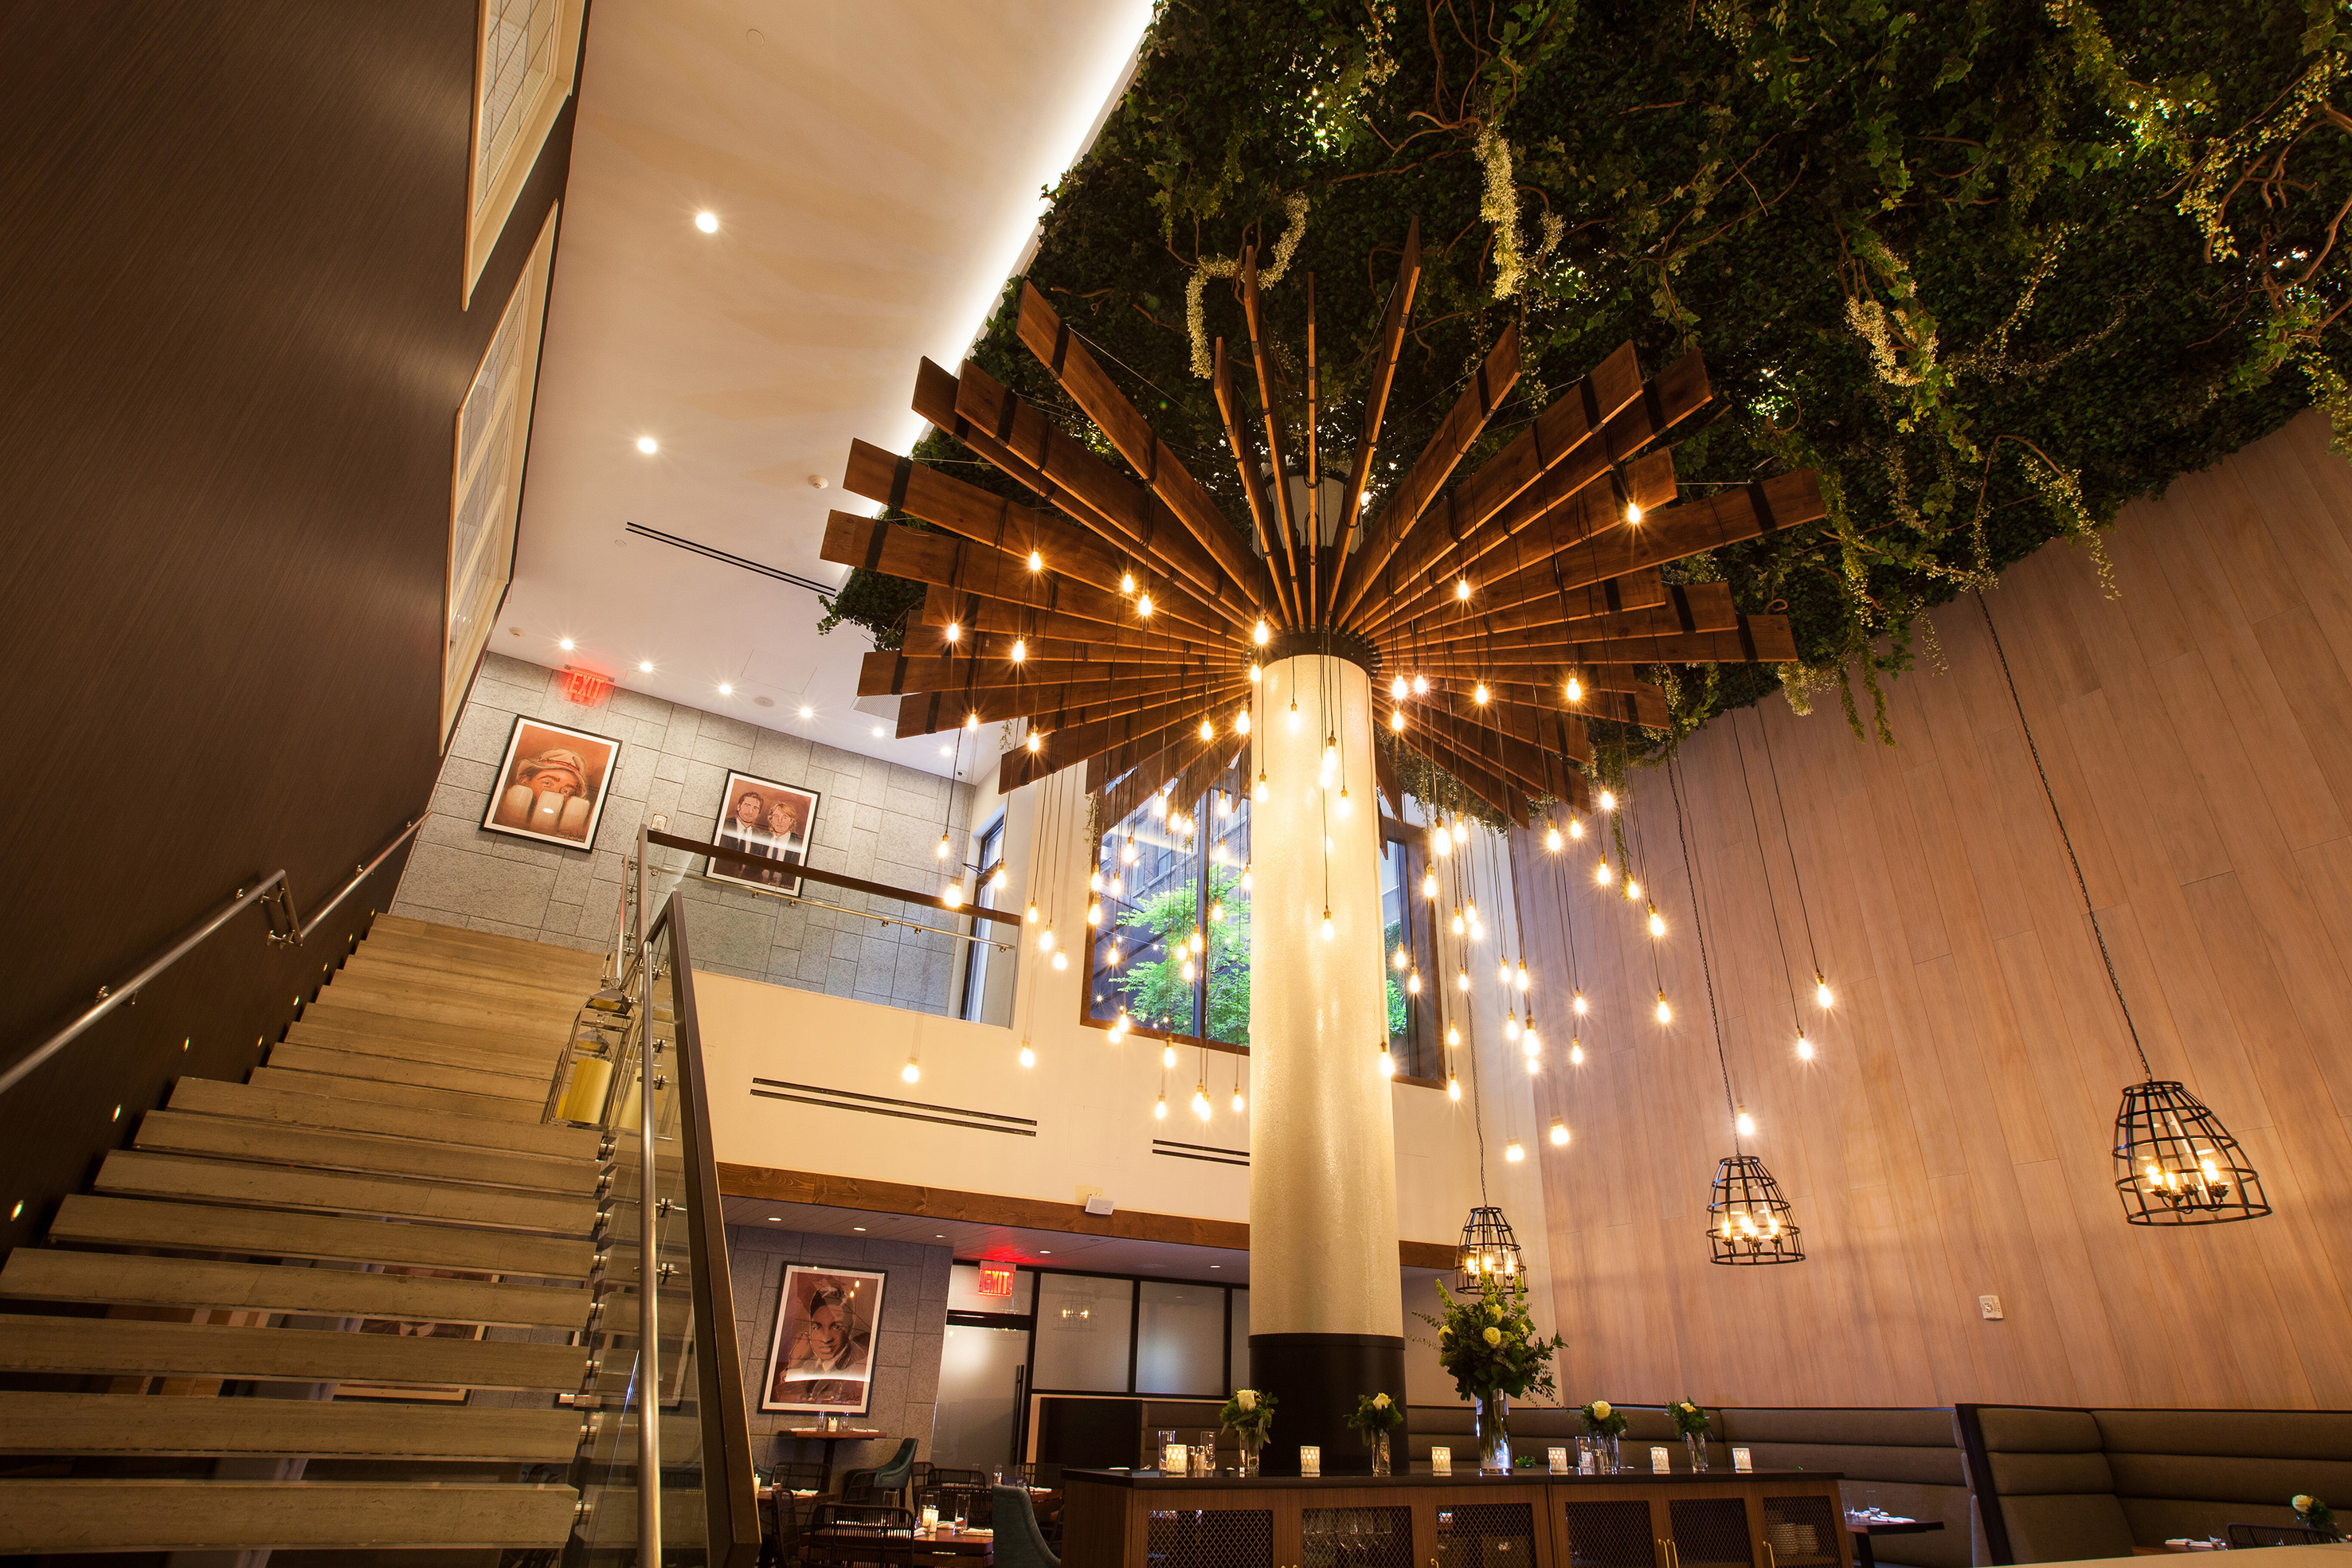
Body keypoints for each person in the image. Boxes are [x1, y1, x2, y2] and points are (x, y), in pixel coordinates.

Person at [774, 1283, 870, 1406]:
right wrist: (794, 1365)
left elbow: (799, 1401)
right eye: (817, 1327)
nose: (825, 1339)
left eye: (836, 1327)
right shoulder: (811, 1364)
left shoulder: (855, 1367)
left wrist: (794, 1366)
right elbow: (783, 1402)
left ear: (849, 1327)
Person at [715, 788, 770, 877]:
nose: (751, 811)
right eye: (747, 805)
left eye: (755, 808)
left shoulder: (758, 836)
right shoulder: (724, 826)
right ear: (738, 806)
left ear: (759, 812)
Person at [759, 796, 808, 886]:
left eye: (785, 817)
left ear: (791, 821)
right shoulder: (762, 838)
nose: (779, 821)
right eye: (776, 816)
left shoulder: (799, 843)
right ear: (771, 819)